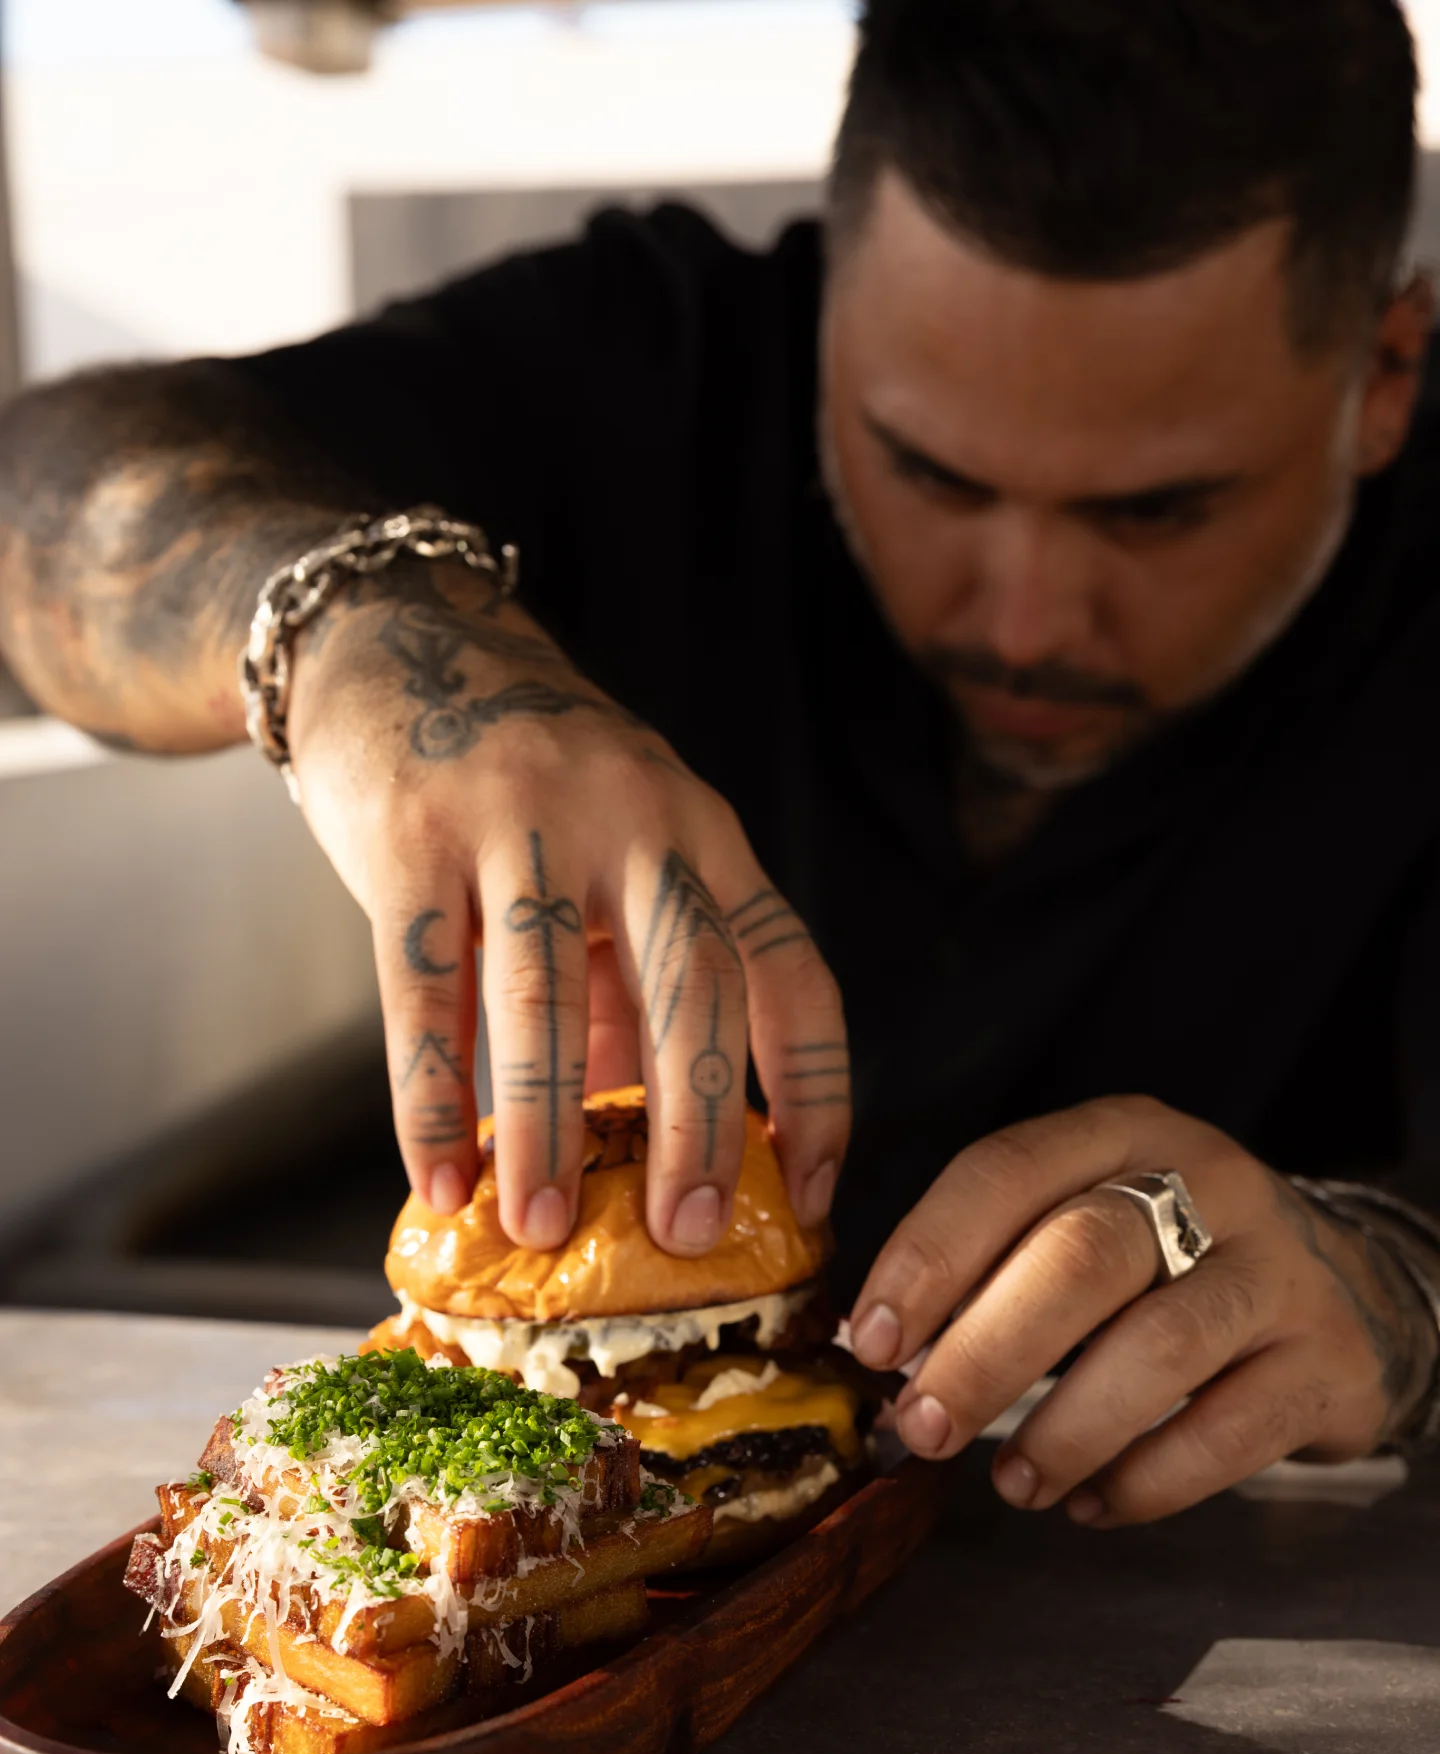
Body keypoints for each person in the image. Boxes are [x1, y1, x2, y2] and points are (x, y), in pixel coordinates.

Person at [3, 0, 1439, 1530]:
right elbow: (39, 499)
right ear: (832, 314)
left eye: (1157, 512)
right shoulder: (652, 356)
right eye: (926, 469)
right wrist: (354, 624)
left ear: (1388, 376)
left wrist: (1401, 1288)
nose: (1021, 621)